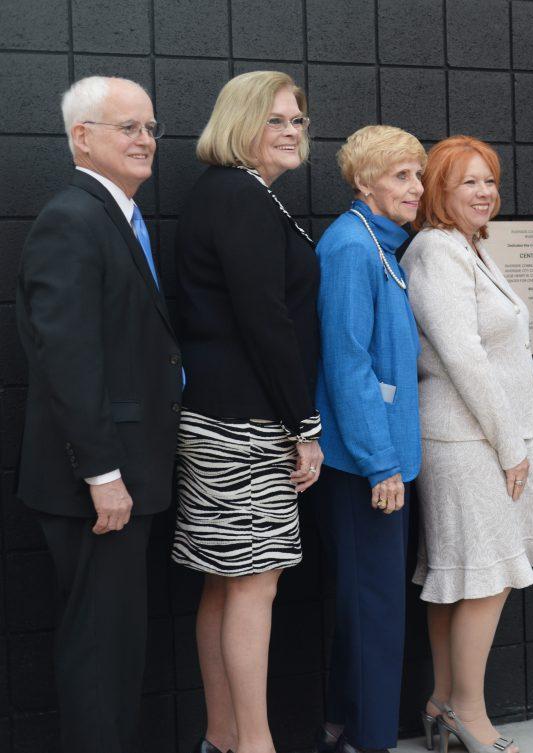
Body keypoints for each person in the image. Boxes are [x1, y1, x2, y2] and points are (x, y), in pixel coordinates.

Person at [15, 76, 179, 753]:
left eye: (150, 127)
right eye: (128, 128)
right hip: (96, 486)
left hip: (123, 477)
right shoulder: (72, 218)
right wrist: (103, 471)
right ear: (82, 138)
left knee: (117, 646)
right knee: (98, 651)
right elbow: (68, 356)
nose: (145, 140)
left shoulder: (120, 218)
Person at [172, 70, 323, 753]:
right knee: (252, 586)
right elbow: (266, 321)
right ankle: (254, 744)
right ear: (241, 125)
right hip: (243, 424)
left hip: (216, 416)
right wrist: (305, 426)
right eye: (277, 120)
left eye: (297, 120)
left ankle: (224, 738)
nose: (292, 131)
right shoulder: (240, 197)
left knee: (225, 582)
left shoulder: (232, 195)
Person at [404, 135, 533, 753]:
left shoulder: (468, 248)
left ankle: (443, 704)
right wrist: (509, 445)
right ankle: (470, 711)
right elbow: (463, 358)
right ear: (439, 190)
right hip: (470, 441)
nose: (484, 192)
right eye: (468, 181)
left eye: (489, 180)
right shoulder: (436, 251)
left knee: (462, 576)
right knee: (485, 578)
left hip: (488, 436)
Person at [311, 126, 426, 753]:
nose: (415, 187)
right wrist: (382, 464)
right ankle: (369, 741)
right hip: (364, 469)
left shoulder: (382, 245)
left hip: (384, 461)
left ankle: (343, 727)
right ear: (364, 182)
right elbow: (347, 363)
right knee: (376, 610)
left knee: (369, 607)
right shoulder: (351, 248)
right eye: (401, 175)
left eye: (417, 174)